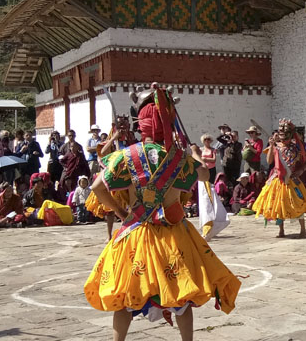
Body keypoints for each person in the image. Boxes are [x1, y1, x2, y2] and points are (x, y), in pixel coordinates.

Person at [83, 83, 241, 338]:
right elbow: (205, 174)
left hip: (136, 233)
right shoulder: (179, 158)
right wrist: (195, 153)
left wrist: (122, 214)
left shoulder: (127, 155)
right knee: (182, 297)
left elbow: (97, 187)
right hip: (174, 235)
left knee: (125, 296)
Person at [253, 119, 306, 238]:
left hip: (292, 179)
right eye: (281, 135)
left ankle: (303, 229)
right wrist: (271, 146)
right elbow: (269, 161)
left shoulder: (297, 148)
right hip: (277, 179)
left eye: (285, 135)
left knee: (297, 203)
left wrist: (300, 170)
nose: (282, 137)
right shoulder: (276, 147)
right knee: (278, 205)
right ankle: (281, 230)